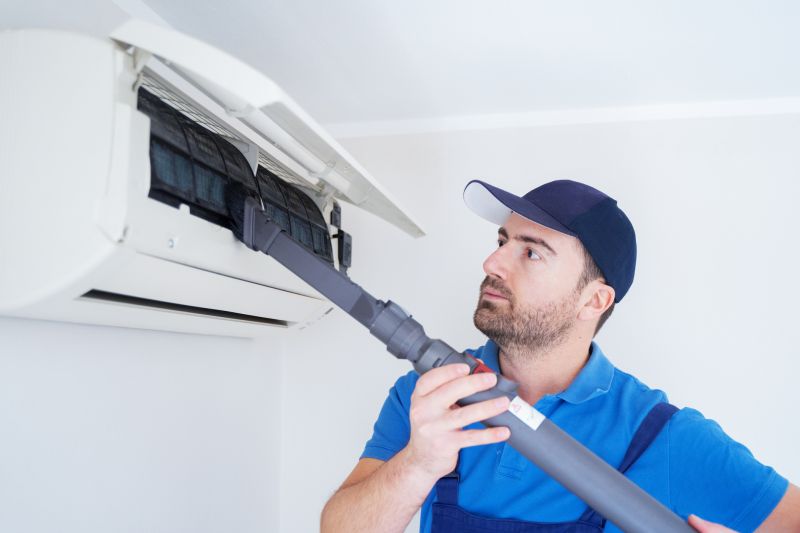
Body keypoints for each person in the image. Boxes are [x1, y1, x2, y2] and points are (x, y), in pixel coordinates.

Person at [320, 179, 799, 532]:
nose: (492, 263)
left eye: (532, 253)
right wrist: (417, 465)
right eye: (502, 242)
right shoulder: (430, 397)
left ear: (594, 300)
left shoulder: (666, 437)